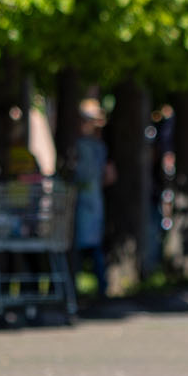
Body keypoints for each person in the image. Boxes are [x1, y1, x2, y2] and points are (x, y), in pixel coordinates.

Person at [72, 98, 114, 296]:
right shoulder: (99, 146)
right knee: (90, 243)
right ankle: (97, 285)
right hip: (92, 197)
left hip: (86, 198)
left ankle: (78, 285)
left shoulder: (86, 145)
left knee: (84, 244)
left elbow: (110, 175)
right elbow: (109, 176)